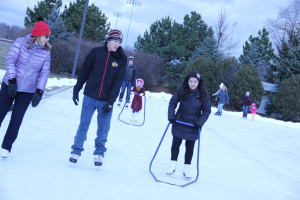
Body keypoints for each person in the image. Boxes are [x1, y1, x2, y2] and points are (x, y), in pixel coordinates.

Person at [70, 30, 127, 166]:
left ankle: (99, 154)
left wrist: (111, 102)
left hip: (105, 100)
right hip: (90, 96)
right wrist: (77, 88)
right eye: (115, 41)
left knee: (103, 128)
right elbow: (85, 71)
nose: (117, 44)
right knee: (83, 125)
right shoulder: (96, 53)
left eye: (119, 42)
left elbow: (118, 82)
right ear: (108, 40)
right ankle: (76, 151)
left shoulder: (121, 59)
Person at [0, 18, 51, 158]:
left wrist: (39, 91)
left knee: (17, 119)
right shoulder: (20, 43)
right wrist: (11, 80)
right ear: (38, 35)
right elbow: (10, 60)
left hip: (27, 91)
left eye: (48, 37)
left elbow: (44, 73)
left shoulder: (46, 52)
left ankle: (6, 147)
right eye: (46, 36)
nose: (47, 39)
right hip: (10, 85)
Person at [167, 71, 211, 179]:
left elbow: (206, 111)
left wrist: (199, 123)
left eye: (195, 81)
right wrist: (172, 116)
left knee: (190, 147)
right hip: (179, 121)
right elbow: (172, 103)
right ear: (187, 81)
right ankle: (173, 165)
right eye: (190, 81)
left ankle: (186, 168)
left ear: (198, 82)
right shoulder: (182, 89)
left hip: (193, 125)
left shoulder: (203, 94)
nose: (192, 83)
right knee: (176, 144)